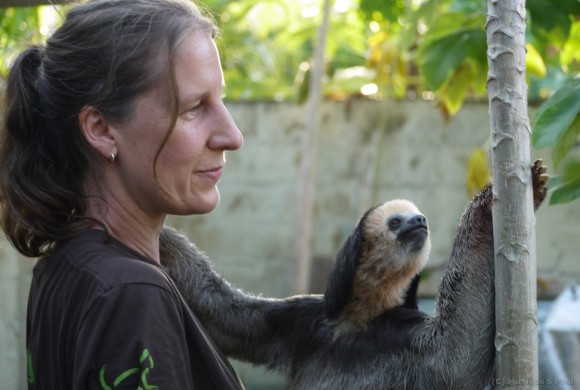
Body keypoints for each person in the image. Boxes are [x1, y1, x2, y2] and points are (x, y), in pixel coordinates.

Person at [0, 0, 245, 388]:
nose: (232, 136)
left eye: (221, 98)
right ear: (100, 128)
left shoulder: (67, 266)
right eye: (193, 108)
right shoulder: (130, 292)